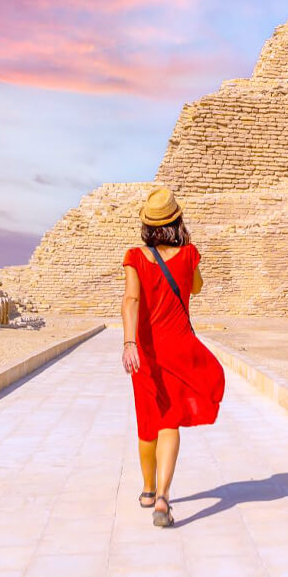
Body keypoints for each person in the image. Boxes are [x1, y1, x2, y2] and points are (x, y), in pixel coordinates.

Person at [121, 187, 225, 527]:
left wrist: (128, 343)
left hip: (146, 349)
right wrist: (187, 258)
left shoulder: (135, 257)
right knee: (170, 421)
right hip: (178, 347)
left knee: (147, 421)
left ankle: (148, 490)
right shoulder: (190, 253)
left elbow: (131, 301)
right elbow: (195, 288)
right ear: (177, 221)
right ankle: (164, 497)